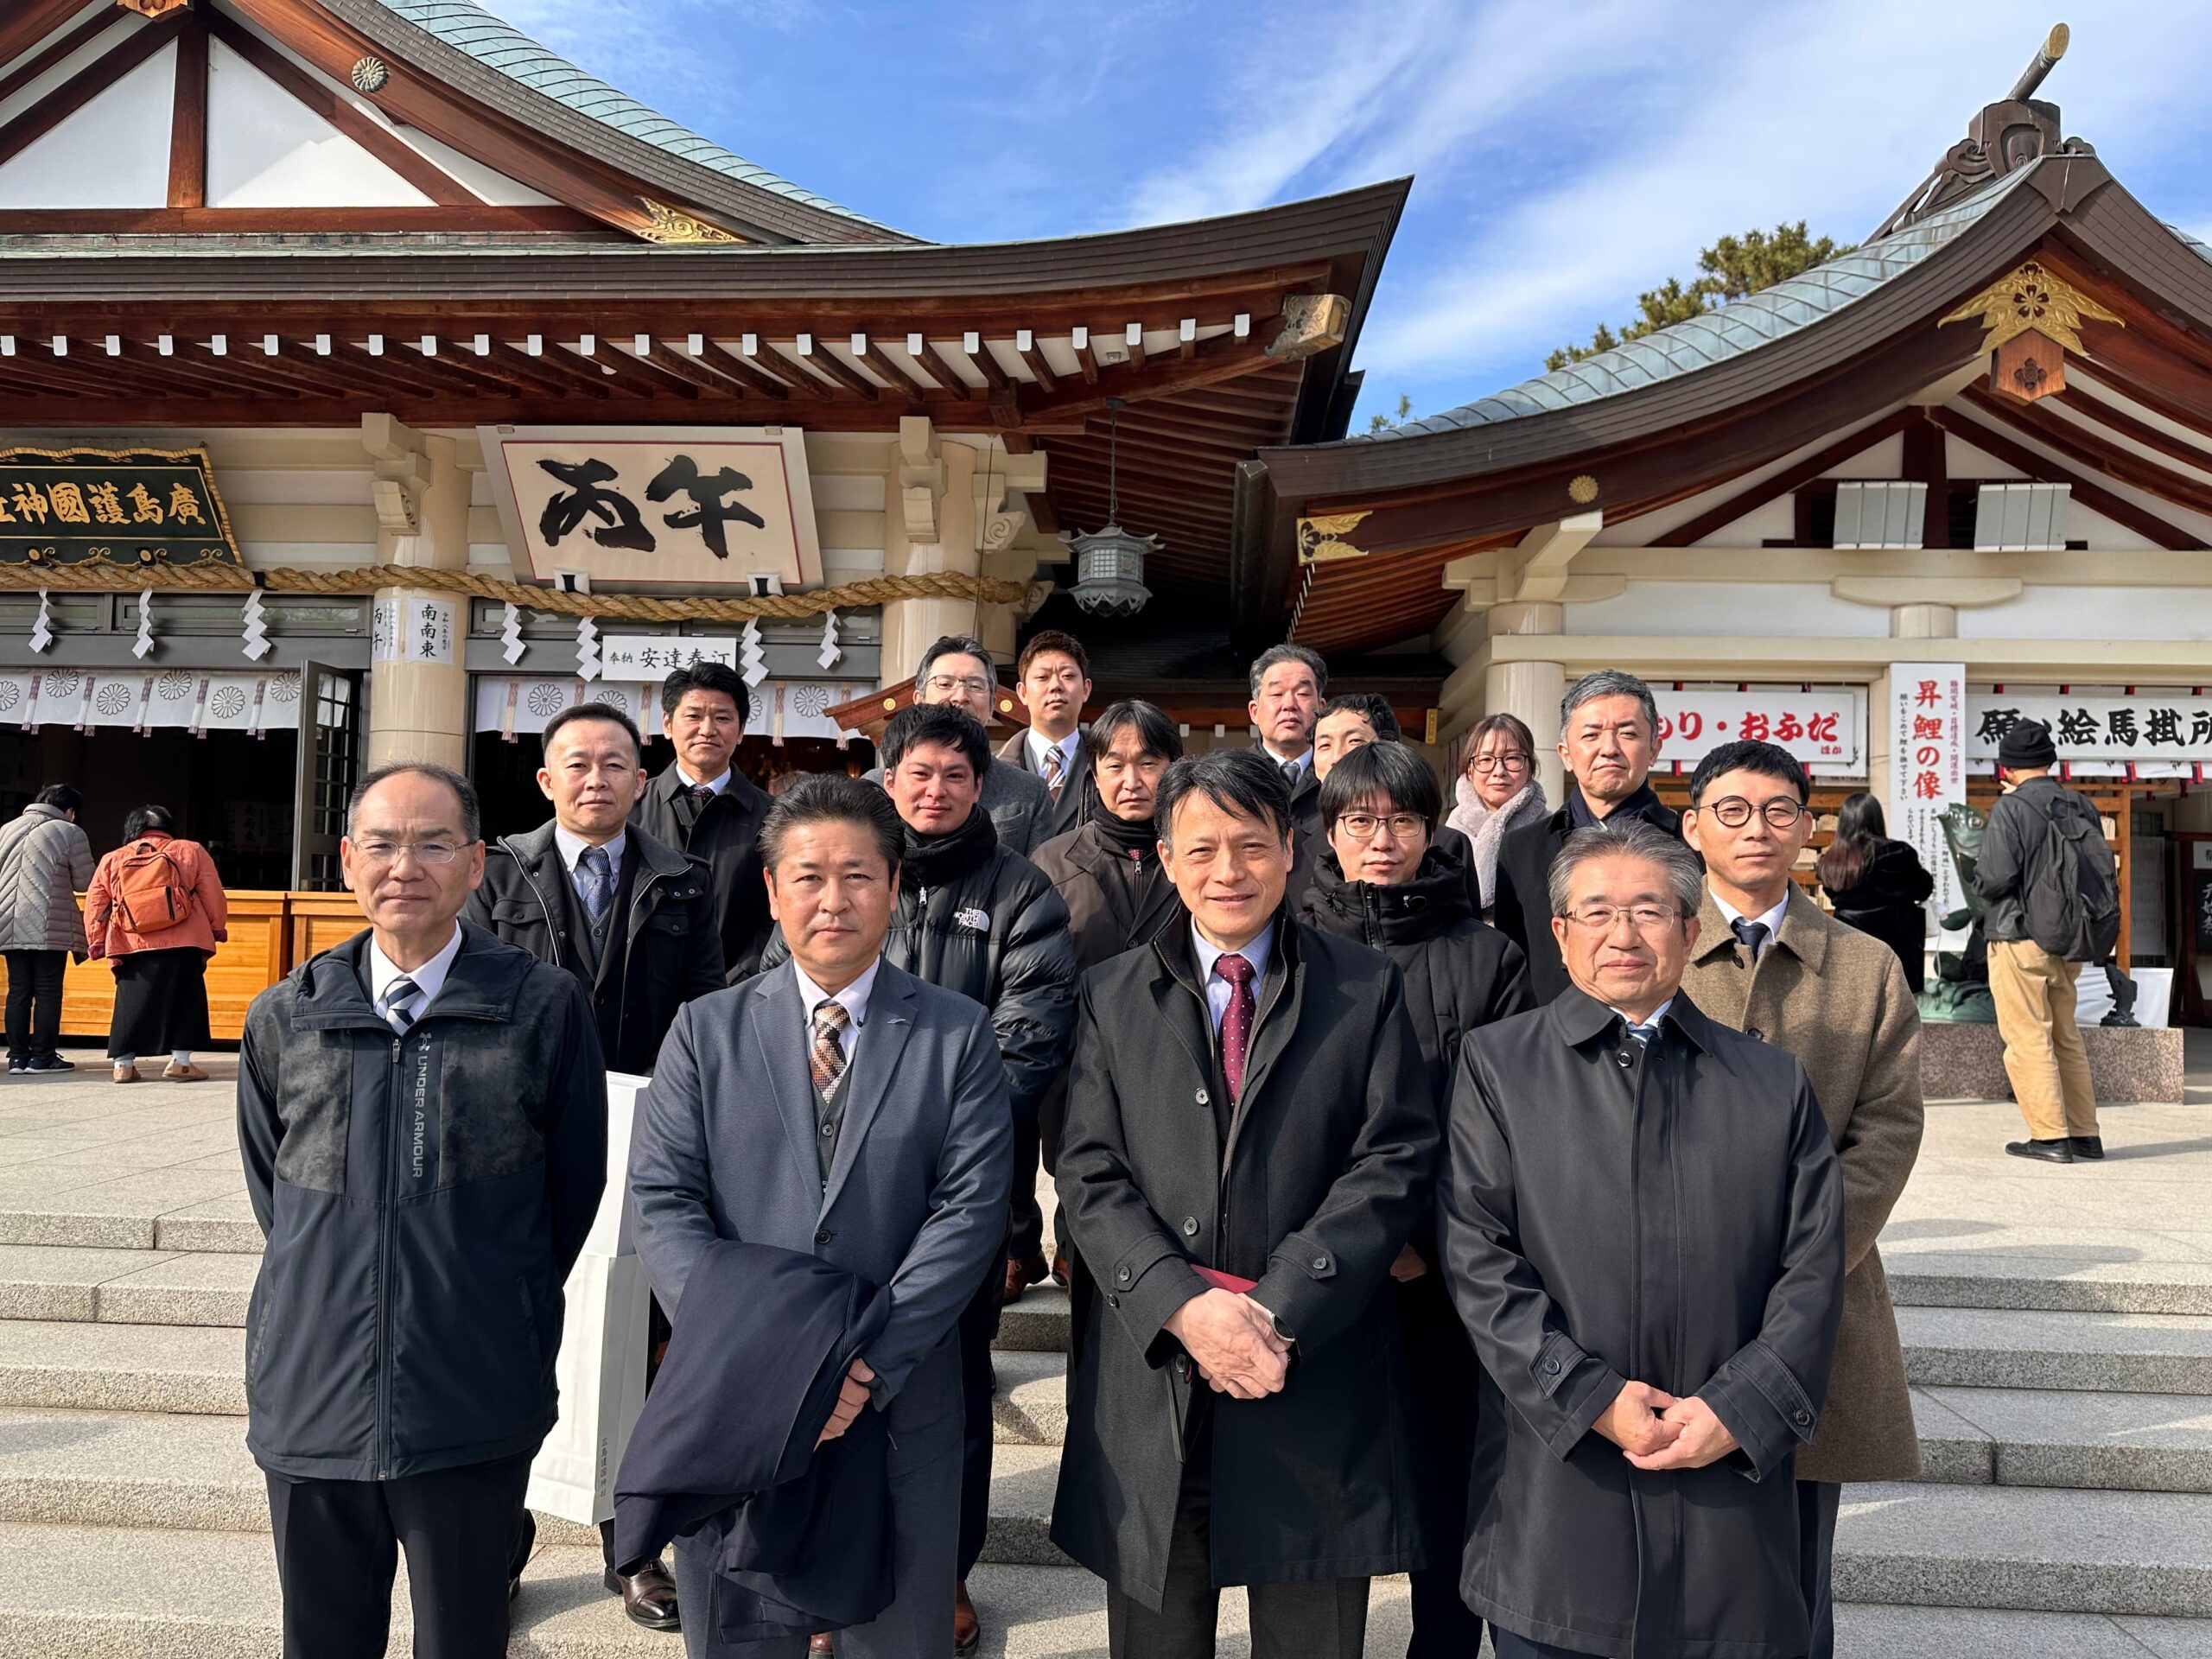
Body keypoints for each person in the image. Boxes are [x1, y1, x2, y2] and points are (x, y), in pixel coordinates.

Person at [1052, 748, 1435, 1659]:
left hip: (1311, 1355)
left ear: (1291, 851)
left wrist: (1276, 1310)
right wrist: (1181, 1307)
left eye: (1251, 845)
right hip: (1155, 1369)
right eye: (1204, 848)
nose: (1229, 871)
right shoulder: (1109, 994)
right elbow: (1088, 1170)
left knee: (1310, 1632)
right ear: (1169, 858)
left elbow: (1393, 1160)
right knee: (1156, 1631)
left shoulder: (1365, 987)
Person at [626, 776, 1014, 1659]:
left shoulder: (956, 1035)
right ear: (771, 890)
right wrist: (773, 1360)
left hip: (897, 1391)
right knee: (739, 1631)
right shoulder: (704, 1031)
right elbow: (664, 1201)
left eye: (856, 876)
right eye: (807, 876)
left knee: (896, 1635)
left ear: (893, 887)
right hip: (739, 1396)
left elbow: (969, 1212)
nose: (831, 900)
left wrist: (861, 1366)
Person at [1440, 817, 1845, 1659]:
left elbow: (1810, 1272)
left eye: (1649, 911)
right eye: (1594, 913)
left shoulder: (1770, 1083)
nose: (1621, 935)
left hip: (1727, 1486)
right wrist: (1588, 1397)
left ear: (1690, 931)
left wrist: (1740, 1408)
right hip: (1557, 1489)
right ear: (1558, 932)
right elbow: (1479, 1261)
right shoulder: (1497, 1067)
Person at [238, 762, 607, 1659]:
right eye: (383, 845)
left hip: (471, 1395)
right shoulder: (289, 1014)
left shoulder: (541, 1007)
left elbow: (572, 1195)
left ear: (476, 865)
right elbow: (274, 1197)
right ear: (347, 862)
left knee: (462, 1638)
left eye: (434, 843)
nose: (407, 865)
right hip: (313, 1392)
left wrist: (487, 1298)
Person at [760, 702, 1074, 1656]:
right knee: (819, 1385)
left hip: (961, 1196)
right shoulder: (840, 880)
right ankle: (823, 1577)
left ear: (983, 787)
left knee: (952, 1395)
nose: (933, 790)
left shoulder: (1023, 892)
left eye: (954, 775)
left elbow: (1031, 1035)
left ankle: (945, 1573)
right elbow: (783, 1014)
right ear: (885, 779)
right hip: (822, 1194)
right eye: (916, 774)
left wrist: (928, 1140)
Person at [465, 701, 721, 1632]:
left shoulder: (684, 882)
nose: (596, 778)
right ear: (545, 780)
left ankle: (634, 1546)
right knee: (518, 1337)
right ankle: (499, 1539)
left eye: (615, 763)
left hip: (649, 1136)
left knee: (641, 1346)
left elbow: (705, 1013)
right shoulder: (498, 872)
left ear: (641, 779)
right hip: (519, 1141)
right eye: (576, 763)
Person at [1680, 741, 1925, 1659]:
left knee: (1791, 1574)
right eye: (1732, 810)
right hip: (1665, 1301)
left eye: (1779, 810)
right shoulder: (1644, 947)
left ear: (1808, 830)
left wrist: (1803, 1257)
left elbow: (1888, 1133)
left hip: (1816, 1305)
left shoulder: (1865, 968)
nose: (1756, 830)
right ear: (1691, 825)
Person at [1297, 741, 1529, 1658]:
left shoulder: (1486, 955)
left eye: (1400, 820)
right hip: (1325, 1265)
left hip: (1447, 1268)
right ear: (1328, 833)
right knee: (1329, 1475)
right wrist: (1353, 1240)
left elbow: (1502, 1117)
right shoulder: (1295, 945)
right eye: (1359, 821)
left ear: (1431, 829)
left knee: (1446, 1472)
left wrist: (1423, 1240)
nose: (1380, 839)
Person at [1019, 700, 1185, 1294]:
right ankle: (1071, 1250)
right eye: (1114, 764)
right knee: (1080, 1166)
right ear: (1094, 772)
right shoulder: (1053, 863)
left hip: (1177, 1051)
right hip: (1077, 1055)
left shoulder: (1197, 857)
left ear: (1173, 767)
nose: (1132, 780)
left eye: (1148, 763)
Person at [1491, 670, 1681, 1005]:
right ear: (1565, 754)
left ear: (1654, 749)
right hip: (1548, 1043)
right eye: (1591, 735)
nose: (1609, 749)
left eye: (1627, 733)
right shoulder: (1520, 849)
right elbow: (1512, 965)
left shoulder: (1688, 845)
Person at [1975, 718, 2112, 1164]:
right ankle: (2085, 1134)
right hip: (2068, 939)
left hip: (2018, 936)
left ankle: (2050, 1137)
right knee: (2066, 1036)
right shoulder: (2079, 805)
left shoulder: (2011, 809)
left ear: (2007, 768)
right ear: (2050, 762)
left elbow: (1996, 877)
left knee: (2027, 1036)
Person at [632, 662, 775, 981]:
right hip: (638, 997)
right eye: (693, 716)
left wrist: (738, 978)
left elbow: (782, 912)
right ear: (668, 724)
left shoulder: (774, 817)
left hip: (736, 994)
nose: (707, 729)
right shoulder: (631, 808)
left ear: (740, 732)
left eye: (722, 718)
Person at [85, 804, 227, 1084]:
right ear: (169, 826)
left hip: (131, 939)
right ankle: (181, 1063)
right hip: (185, 937)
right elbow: (213, 893)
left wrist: (96, 939)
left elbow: (96, 901)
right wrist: (216, 927)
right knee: (186, 998)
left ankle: (123, 1065)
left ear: (132, 828)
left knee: (129, 1001)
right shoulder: (191, 850)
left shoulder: (114, 858)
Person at [903, 633, 1050, 855]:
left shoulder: (1029, 792)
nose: (960, 696)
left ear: (992, 706)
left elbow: (1039, 881)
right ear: (919, 700)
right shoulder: (877, 786)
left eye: (975, 685)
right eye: (945, 683)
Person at [0, 785, 93, 1073]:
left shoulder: (6, 829)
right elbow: (85, 881)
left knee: (18, 990)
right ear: (70, 811)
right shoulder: (70, 832)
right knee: (48, 989)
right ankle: (42, 1057)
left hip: (9, 921)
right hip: (49, 923)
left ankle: (16, 1057)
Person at [1817, 791, 1936, 994]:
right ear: (1876, 818)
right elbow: (1923, 887)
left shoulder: (1832, 860)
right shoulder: (1897, 853)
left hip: (1847, 944)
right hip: (1898, 945)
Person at [1443, 714, 1549, 916]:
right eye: (1485, 759)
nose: (1499, 771)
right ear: (1469, 769)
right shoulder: (1448, 835)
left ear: (1530, 767)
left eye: (1512, 758)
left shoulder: (1551, 831)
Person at [1002, 629, 1093, 844]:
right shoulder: (993, 768)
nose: (1055, 686)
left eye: (1068, 676)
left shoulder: (1108, 764)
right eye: (1042, 677)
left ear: (1086, 689)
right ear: (1022, 692)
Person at [1248, 642, 1327, 843]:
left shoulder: (1340, 774)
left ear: (1321, 708)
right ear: (1254, 712)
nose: (1289, 705)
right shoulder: (1232, 776)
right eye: (1276, 694)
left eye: (1302, 694)